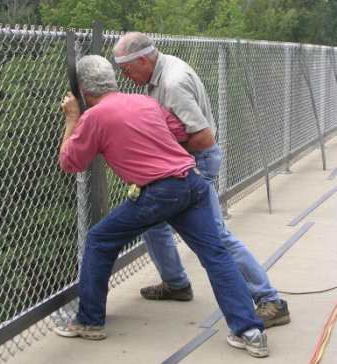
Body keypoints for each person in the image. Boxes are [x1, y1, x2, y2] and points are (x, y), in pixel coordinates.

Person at [55, 55, 269, 358]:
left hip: (161, 191)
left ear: (83, 91)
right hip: (191, 182)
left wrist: (72, 118)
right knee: (216, 254)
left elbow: (70, 162)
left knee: (99, 239)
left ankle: (89, 321)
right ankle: (250, 330)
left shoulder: (94, 116)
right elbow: (180, 132)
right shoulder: (144, 102)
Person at [112, 32, 290, 329]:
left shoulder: (172, 84)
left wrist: (161, 157)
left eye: (128, 69)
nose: (127, 77)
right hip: (179, 163)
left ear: (143, 59)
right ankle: (176, 284)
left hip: (196, 164)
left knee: (214, 236)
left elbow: (204, 138)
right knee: (151, 222)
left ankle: (270, 300)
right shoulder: (161, 70)